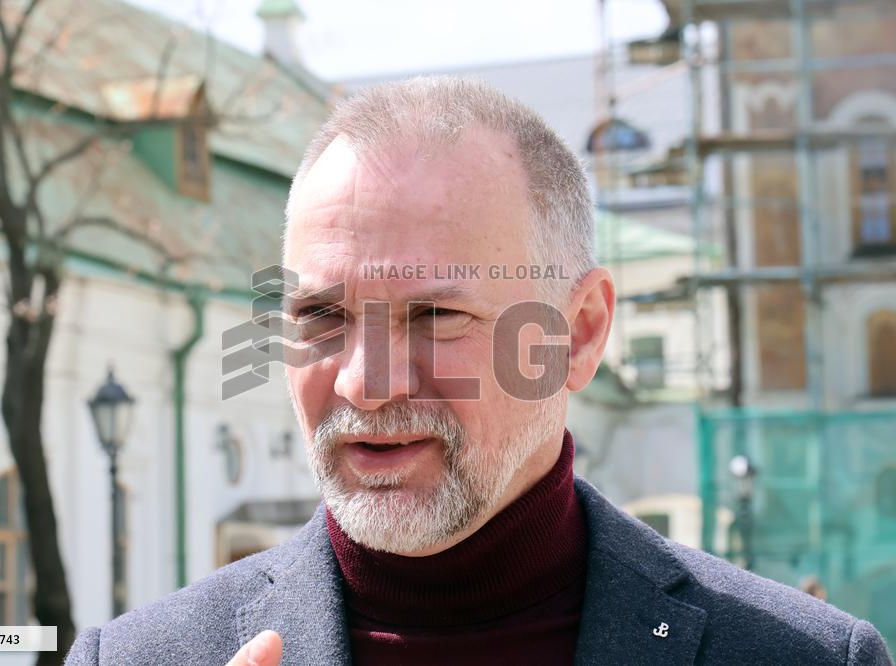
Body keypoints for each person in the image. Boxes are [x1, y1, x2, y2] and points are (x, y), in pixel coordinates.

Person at [65, 77, 893, 665]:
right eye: (321, 317)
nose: (364, 383)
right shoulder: (143, 659)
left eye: (435, 316)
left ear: (579, 333)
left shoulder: (799, 657)